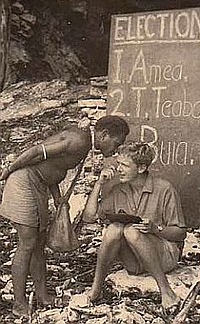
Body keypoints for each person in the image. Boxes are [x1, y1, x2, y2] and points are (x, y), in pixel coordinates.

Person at [0, 115, 129, 318]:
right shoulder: (79, 141)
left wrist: (58, 199)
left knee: (38, 242)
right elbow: (36, 152)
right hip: (23, 182)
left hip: (38, 185)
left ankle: (42, 296)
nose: (116, 149)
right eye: (117, 143)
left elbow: (51, 168)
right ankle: (19, 303)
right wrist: (8, 171)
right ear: (104, 135)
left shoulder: (85, 144)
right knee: (27, 243)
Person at [83, 141, 187, 313]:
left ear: (141, 168)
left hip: (164, 256)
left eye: (124, 165)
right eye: (118, 164)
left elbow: (180, 233)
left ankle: (167, 292)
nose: (119, 169)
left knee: (131, 231)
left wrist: (156, 229)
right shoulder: (118, 190)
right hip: (135, 261)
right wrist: (99, 184)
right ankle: (96, 290)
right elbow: (89, 217)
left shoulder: (164, 189)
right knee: (114, 229)